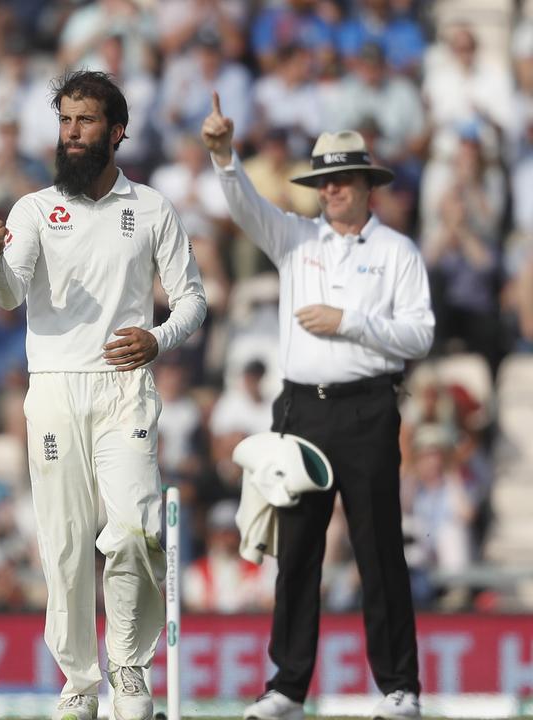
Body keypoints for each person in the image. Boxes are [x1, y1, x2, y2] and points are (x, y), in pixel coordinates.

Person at [0, 70, 207, 720]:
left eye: (85, 122)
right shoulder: (33, 209)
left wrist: (158, 339)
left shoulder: (153, 208)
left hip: (124, 386)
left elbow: (193, 300)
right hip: (53, 387)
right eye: (65, 122)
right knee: (67, 544)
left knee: (135, 532)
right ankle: (79, 684)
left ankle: (129, 670)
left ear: (117, 131)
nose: (72, 133)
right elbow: (9, 295)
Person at [202, 91, 433, 720]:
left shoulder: (397, 253)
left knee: (378, 549)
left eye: (341, 181)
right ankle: (288, 686)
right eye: (324, 181)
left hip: (367, 409)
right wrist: (224, 156)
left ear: (366, 185)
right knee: (297, 549)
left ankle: (399, 686)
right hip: (301, 410)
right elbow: (247, 209)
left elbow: (420, 335)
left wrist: (349, 321)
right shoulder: (296, 241)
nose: (330, 191)